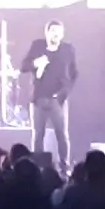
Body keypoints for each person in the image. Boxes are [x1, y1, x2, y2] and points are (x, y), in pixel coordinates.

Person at [20, 20, 77, 171]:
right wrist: (35, 63)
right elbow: (23, 66)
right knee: (38, 135)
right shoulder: (38, 46)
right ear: (46, 33)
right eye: (52, 30)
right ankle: (37, 168)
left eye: (58, 31)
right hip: (39, 98)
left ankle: (65, 166)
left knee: (62, 135)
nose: (55, 34)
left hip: (58, 100)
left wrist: (64, 92)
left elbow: (74, 73)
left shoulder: (67, 49)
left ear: (62, 33)